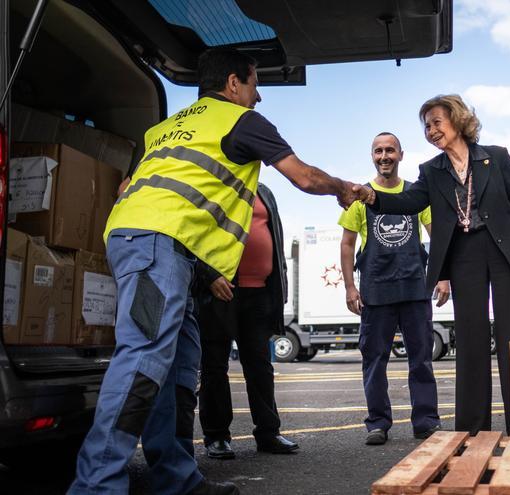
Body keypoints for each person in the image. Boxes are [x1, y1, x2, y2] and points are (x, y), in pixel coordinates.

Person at [69, 48, 365, 495]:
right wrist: (344, 188)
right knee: (144, 358)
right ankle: (95, 486)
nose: (258, 96)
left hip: (162, 250)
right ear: (233, 83)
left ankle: (177, 480)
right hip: (155, 248)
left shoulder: (165, 130)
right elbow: (303, 177)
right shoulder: (241, 121)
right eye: (254, 84)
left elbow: (129, 186)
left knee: (179, 368)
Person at [361, 94, 510, 435]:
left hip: (508, 251)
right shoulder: (431, 171)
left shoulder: (496, 157)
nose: (431, 131)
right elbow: (407, 201)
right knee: (472, 341)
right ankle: (473, 432)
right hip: (465, 256)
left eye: (437, 122)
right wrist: (372, 196)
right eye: (427, 126)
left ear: (458, 120)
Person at [339, 132, 442, 446]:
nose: (384, 156)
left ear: (400, 155)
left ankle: (425, 422)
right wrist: (350, 288)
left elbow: (436, 236)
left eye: (390, 150)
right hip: (377, 291)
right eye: (378, 151)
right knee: (374, 360)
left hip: (414, 289)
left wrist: (443, 275)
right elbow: (347, 244)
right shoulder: (361, 197)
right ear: (373, 156)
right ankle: (378, 423)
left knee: (421, 358)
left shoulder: (416, 194)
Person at [195, 182, 298, 459]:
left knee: (260, 366)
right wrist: (208, 275)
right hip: (220, 291)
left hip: (260, 292)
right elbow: (194, 233)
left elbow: (275, 238)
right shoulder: (212, 185)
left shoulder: (264, 191)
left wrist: (281, 288)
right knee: (215, 366)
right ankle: (216, 437)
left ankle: (268, 433)